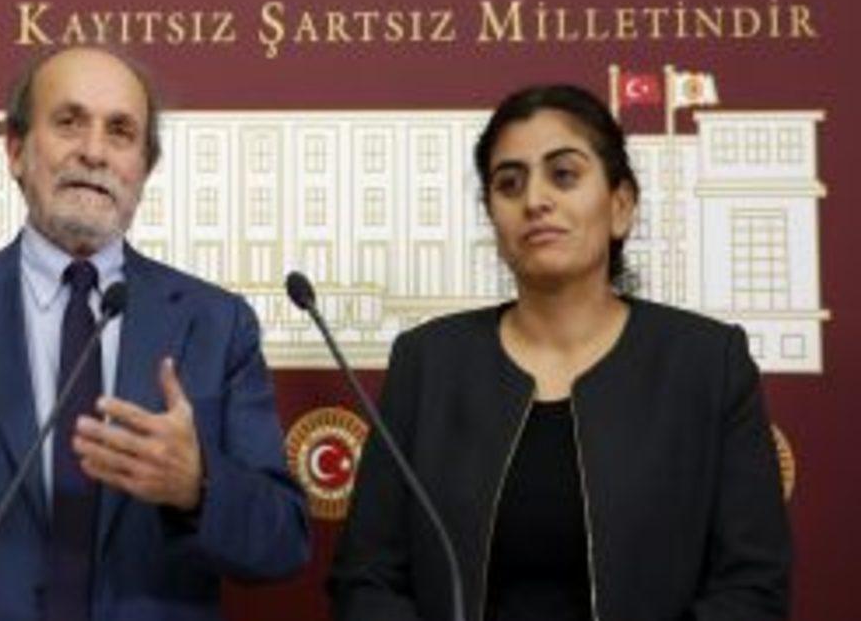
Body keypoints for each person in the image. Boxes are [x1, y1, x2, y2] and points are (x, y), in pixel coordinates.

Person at [0, 46, 309, 621]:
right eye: (69, 122)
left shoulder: (217, 325)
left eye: (120, 132)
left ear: (143, 170)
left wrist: (198, 485)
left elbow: (282, 541)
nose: (94, 152)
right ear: (16, 151)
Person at [329, 84, 791, 621]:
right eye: (509, 183)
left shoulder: (707, 364)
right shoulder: (429, 363)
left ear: (621, 206)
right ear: (493, 219)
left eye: (564, 175)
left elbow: (752, 589)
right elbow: (366, 581)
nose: (535, 200)